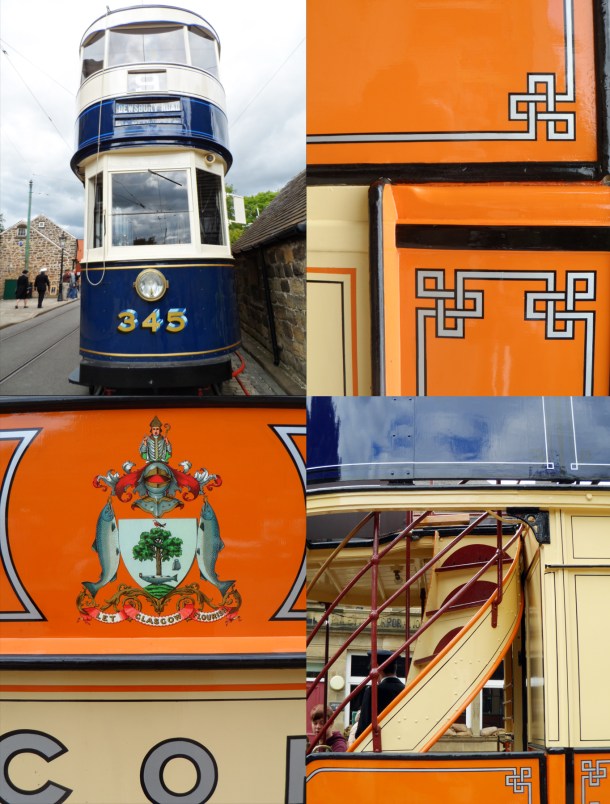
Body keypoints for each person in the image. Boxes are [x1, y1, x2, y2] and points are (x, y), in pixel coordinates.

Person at [354, 649, 405, 739]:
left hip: (379, 743)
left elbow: (362, 728)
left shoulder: (373, 691)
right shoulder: (406, 689)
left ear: (377, 667)